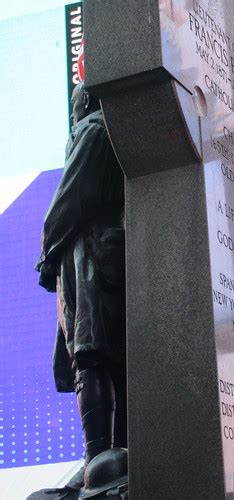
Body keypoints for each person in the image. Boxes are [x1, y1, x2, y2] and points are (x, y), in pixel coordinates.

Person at [32, 83, 127, 499]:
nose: (74, 110)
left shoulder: (91, 128)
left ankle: (99, 455)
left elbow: (71, 197)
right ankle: (107, 456)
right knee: (107, 356)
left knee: (90, 354)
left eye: (74, 103)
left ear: (84, 101)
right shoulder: (119, 129)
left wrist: (46, 250)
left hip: (87, 253)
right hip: (102, 251)